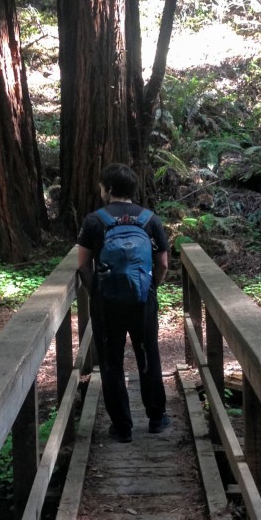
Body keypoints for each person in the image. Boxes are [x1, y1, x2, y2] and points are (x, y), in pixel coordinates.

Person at [77, 163, 170, 443]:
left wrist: (96, 292)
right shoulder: (150, 219)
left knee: (111, 362)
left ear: (108, 189)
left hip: (107, 303)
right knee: (148, 355)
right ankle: (156, 419)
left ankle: (122, 427)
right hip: (143, 300)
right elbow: (163, 263)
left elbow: (82, 265)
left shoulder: (94, 220)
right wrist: (151, 287)